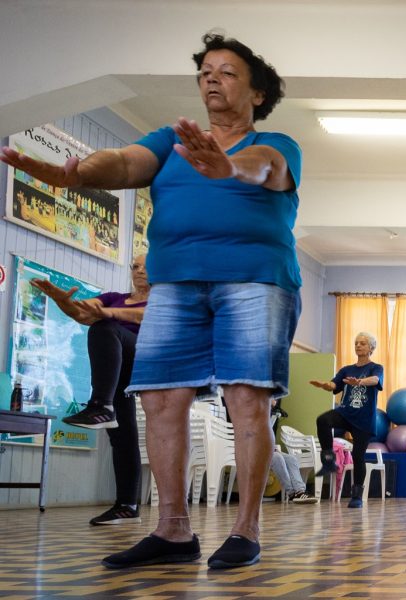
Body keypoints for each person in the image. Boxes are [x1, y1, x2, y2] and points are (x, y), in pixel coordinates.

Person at [0, 34, 302, 570]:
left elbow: (267, 166)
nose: (212, 79)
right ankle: (173, 531)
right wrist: (77, 174)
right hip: (174, 285)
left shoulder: (275, 142)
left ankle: (246, 529)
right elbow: (122, 163)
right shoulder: (171, 142)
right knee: (160, 399)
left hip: (255, 280)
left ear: (258, 93)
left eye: (227, 72)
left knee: (246, 397)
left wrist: (230, 167)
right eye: (205, 71)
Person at [32, 255, 148, 526]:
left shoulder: (162, 300)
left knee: (104, 327)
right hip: (120, 367)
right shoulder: (113, 298)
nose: (140, 271)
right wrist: (63, 301)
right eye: (135, 266)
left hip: (147, 359)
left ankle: (101, 405)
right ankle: (127, 506)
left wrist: (109, 314)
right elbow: (83, 313)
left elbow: (149, 317)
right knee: (122, 433)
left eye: (146, 266)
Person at [309, 332, 384, 509]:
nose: (358, 346)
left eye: (363, 343)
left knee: (358, 456)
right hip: (345, 413)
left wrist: (359, 382)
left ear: (371, 348)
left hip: (364, 419)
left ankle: (356, 496)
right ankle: (329, 460)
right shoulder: (346, 369)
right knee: (323, 420)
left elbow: (375, 380)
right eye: (356, 343)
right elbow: (335, 385)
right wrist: (325, 385)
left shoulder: (376, 367)